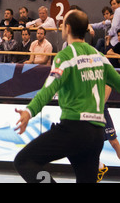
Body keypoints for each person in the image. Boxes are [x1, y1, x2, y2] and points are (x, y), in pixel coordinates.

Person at [14, 9, 120, 183]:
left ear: (67, 28)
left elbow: (49, 88)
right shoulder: (100, 57)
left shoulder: (65, 56)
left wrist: (30, 111)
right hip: (96, 135)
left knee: (24, 161)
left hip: (74, 129)